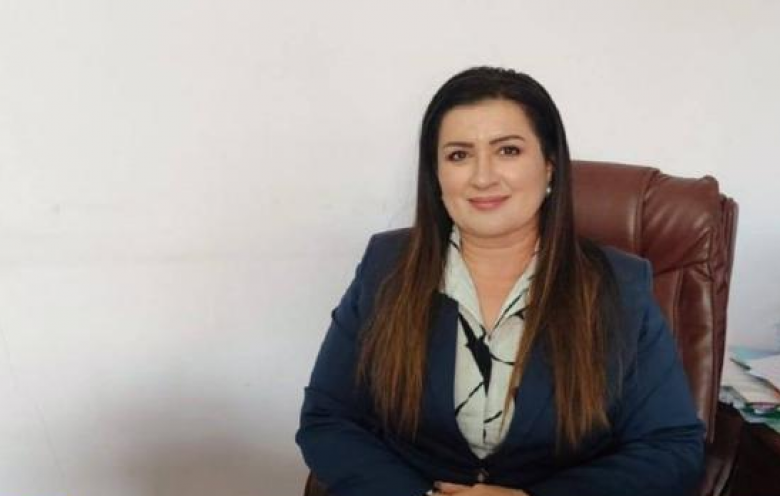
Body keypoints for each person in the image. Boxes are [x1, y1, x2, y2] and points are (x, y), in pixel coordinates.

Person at [295, 66, 705, 496]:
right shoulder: (386, 267)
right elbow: (328, 418)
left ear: (549, 166)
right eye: (459, 155)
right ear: (436, 175)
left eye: (508, 150)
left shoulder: (619, 285)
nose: (483, 176)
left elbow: (671, 447)